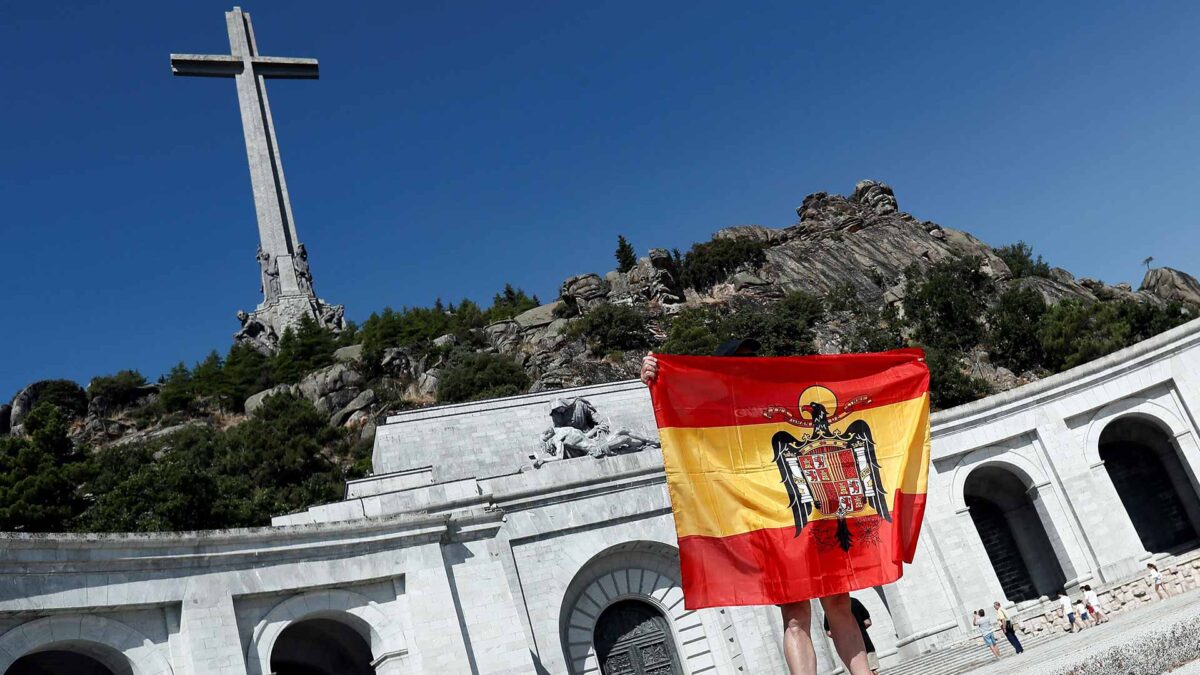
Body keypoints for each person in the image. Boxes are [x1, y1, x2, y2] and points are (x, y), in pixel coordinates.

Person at [642, 343, 874, 675]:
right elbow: (679, 421)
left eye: (750, 358)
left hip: (812, 511)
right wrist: (654, 381)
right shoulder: (715, 411)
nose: (748, 364)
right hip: (770, 522)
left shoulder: (779, 395)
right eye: (739, 362)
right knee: (795, 616)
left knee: (839, 603)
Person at [823, 597, 880, 674]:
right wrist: (858, 630)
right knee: (871, 670)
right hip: (865, 644)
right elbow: (867, 622)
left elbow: (829, 632)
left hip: (846, 650)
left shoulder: (829, 608)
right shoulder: (854, 601)